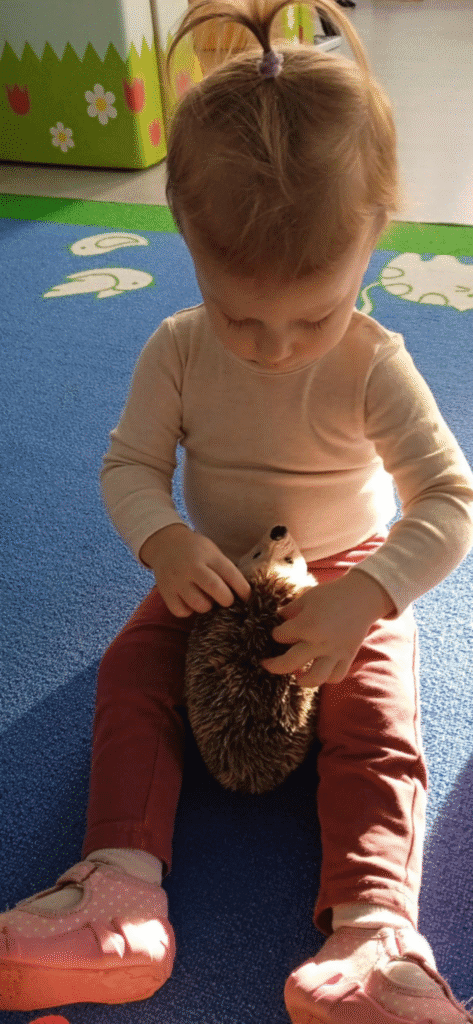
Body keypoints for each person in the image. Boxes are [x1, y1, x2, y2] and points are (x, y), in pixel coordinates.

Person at [1, 0, 473, 1018]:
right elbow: (129, 466)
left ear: (374, 242)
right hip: (212, 573)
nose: (271, 345)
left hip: (342, 574)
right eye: (237, 313)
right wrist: (165, 540)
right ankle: (117, 890)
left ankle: (373, 934)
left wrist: (368, 596)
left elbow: (447, 500)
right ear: (183, 238)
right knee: (131, 672)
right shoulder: (176, 350)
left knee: (379, 721)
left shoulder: (373, 365)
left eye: (312, 314)